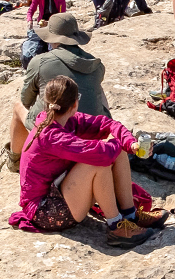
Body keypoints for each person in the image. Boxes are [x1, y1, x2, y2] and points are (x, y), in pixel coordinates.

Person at [9, 76, 168, 247]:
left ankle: (130, 216)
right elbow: (101, 154)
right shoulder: (51, 136)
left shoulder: (63, 120)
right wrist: (122, 143)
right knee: (99, 163)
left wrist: (131, 143)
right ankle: (116, 227)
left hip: (57, 192)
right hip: (44, 211)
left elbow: (106, 123)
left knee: (116, 151)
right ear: (75, 103)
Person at [6, 13, 109, 169]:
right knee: (98, 90)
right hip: (89, 131)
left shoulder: (40, 62)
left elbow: (26, 100)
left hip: (55, 130)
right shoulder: (96, 65)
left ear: (52, 38)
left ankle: (15, 162)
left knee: (17, 106)